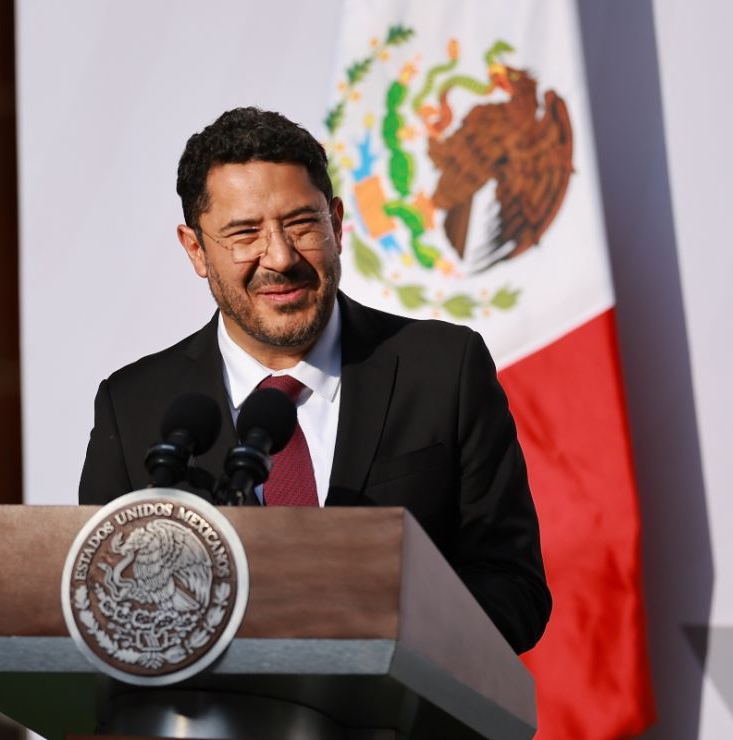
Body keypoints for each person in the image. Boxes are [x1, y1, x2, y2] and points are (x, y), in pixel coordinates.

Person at [79, 107, 550, 654]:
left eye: (302, 224)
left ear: (337, 224)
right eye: (244, 234)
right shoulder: (135, 404)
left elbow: (514, 590)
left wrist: (372, 636)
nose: (279, 257)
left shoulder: (444, 369)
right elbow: (103, 608)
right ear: (195, 249)